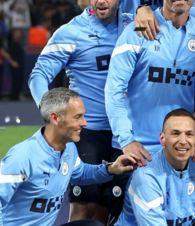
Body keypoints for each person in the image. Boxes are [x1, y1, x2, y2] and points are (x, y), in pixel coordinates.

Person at [27, 0, 132, 223]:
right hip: (87, 131)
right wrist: (51, 112)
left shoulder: (135, 26)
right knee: (85, 208)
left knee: (113, 210)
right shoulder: (71, 32)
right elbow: (38, 75)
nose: (100, 0)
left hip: (126, 132)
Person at [105, 0, 195, 167]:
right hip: (136, 149)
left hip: (179, 149)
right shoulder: (137, 31)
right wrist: (126, 140)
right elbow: (114, 89)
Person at [0, 88, 136, 226]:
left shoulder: (69, 148)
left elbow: (80, 174)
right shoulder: (22, 157)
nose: (84, 123)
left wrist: (110, 169)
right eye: (77, 117)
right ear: (55, 118)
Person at [116, 109, 195, 226]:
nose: (183, 141)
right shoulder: (146, 176)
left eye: (189, 134)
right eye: (176, 133)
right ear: (162, 139)